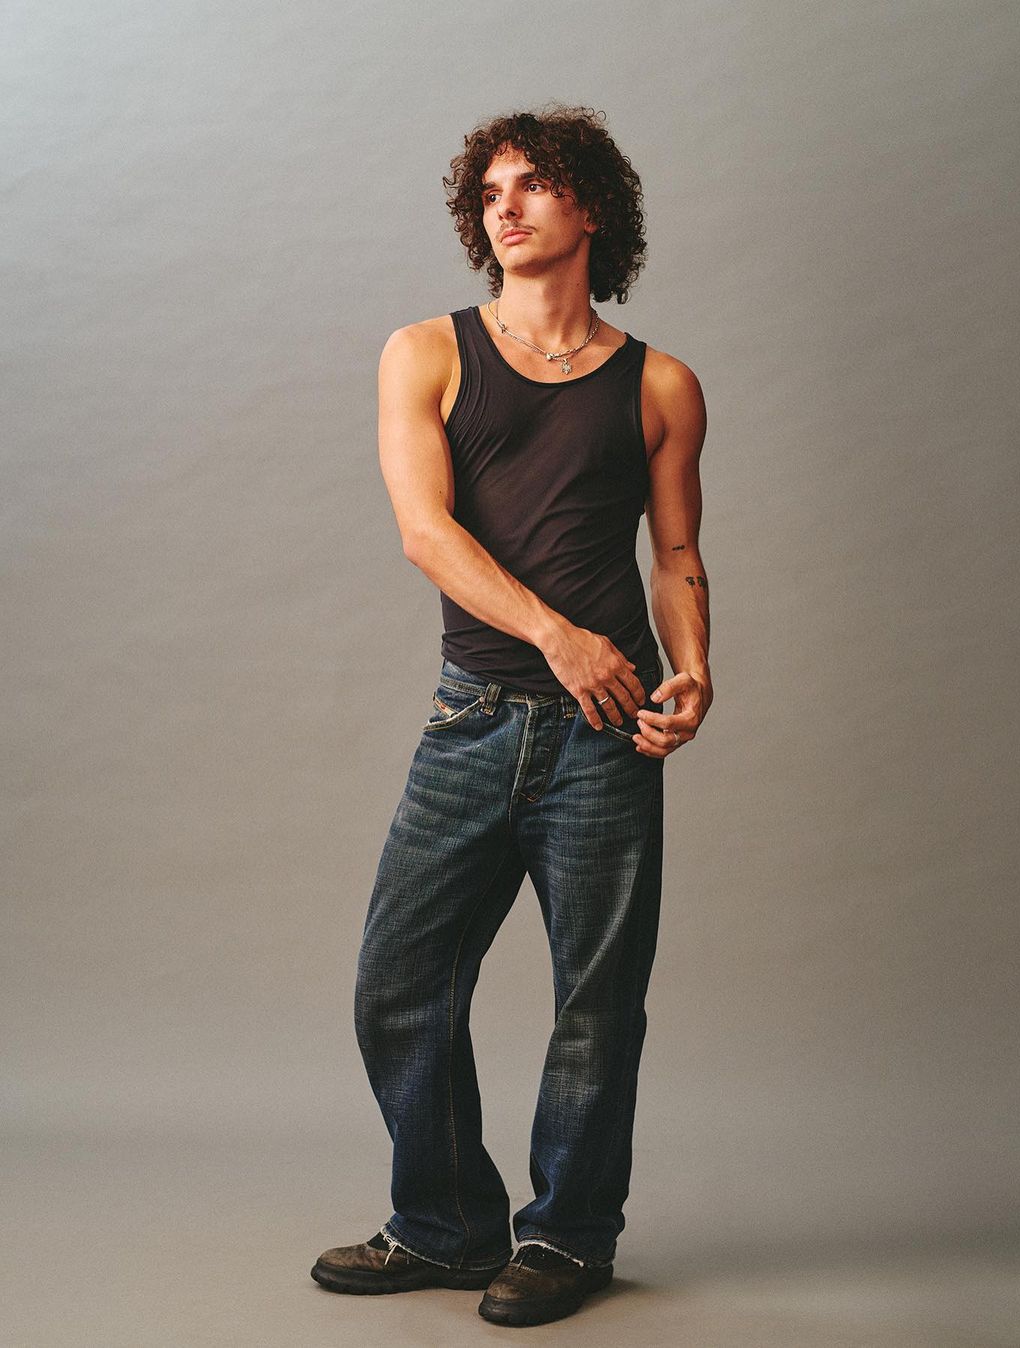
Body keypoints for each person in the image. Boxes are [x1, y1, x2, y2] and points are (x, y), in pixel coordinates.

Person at [311, 104, 710, 1328]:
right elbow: (424, 531)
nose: (508, 207)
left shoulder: (661, 383)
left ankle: (569, 1239)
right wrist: (556, 635)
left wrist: (694, 669)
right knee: (397, 981)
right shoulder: (426, 352)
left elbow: (676, 552)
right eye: (490, 192)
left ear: (592, 206)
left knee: (597, 1001)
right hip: (474, 715)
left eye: (534, 184)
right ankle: (445, 1225)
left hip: (608, 731)